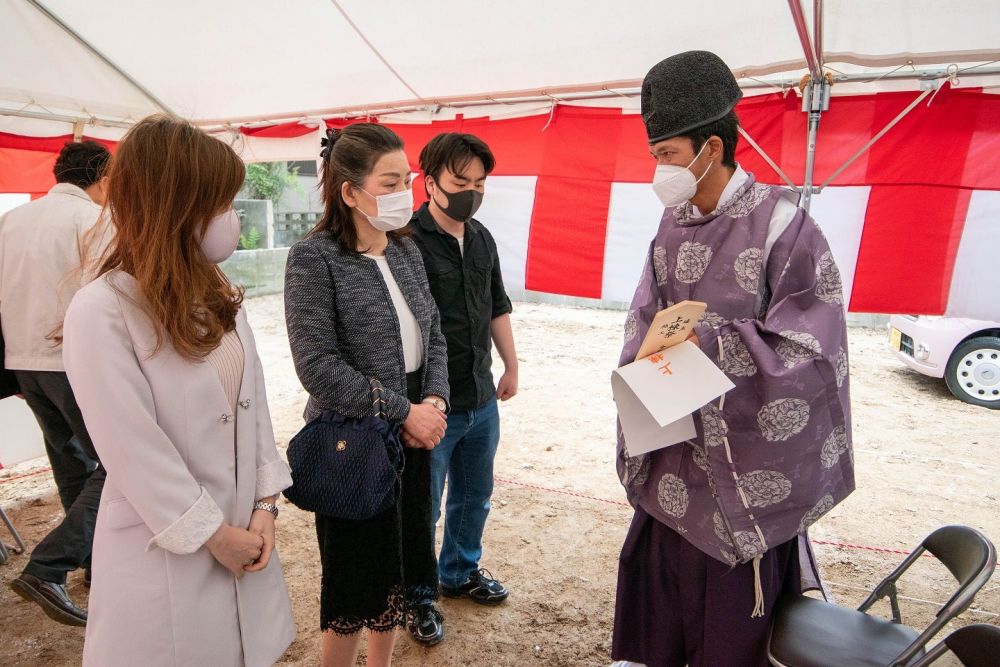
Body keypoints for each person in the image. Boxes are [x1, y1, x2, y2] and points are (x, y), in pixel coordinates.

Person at [611, 51, 855, 667]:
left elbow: (813, 348)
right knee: (659, 631)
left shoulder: (784, 227)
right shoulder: (671, 224)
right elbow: (646, 314)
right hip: (672, 457)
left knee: (730, 639)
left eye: (667, 155)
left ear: (711, 148)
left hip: (742, 469)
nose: (659, 170)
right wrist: (645, 366)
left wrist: (715, 347)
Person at [60, 115, 295, 666]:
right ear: (175, 203)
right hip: (166, 552)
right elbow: (131, 447)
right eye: (220, 204)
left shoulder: (216, 295)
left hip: (244, 530)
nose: (231, 220)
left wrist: (265, 505)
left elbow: (253, 411)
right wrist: (214, 535)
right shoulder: (102, 310)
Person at [284, 123, 450, 665]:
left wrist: (436, 403)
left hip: (416, 435)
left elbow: (435, 336)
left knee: (400, 571)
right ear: (349, 190)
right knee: (355, 579)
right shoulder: (314, 258)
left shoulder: (406, 251)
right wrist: (405, 410)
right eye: (389, 181)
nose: (405, 191)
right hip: (353, 442)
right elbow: (317, 366)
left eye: (407, 179)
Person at [2, 140, 110, 626]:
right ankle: (49, 566)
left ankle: (93, 563)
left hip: (23, 361)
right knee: (118, 466)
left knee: (73, 466)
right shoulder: (91, 220)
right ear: (103, 177)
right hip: (71, 361)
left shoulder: (14, 220)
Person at [408, 133, 517, 615]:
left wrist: (511, 365)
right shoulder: (405, 242)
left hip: (480, 397)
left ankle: (459, 572)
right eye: (460, 180)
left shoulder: (482, 238)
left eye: (480, 182)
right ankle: (417, 595)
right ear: (430, 182)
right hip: (431, 405)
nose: (471, 191)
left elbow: (497, 305)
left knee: (475, 497)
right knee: (421, 507)